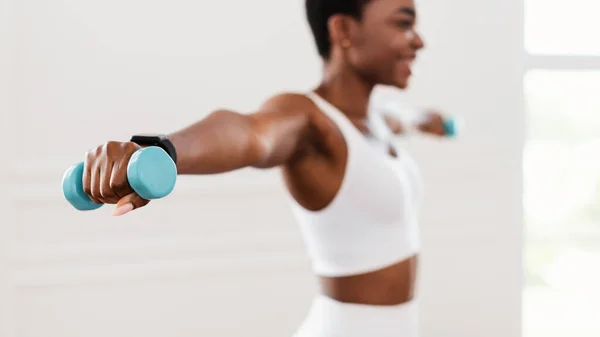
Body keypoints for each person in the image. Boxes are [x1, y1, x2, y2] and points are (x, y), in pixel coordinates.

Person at [80, 0, 451, 335]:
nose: (418, 41)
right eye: (403, 24)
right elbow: (251, 134)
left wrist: (436, 122)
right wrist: (162, 150)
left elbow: (411, 118)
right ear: (343, 30)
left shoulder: (378, 120)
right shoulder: (310, 120)